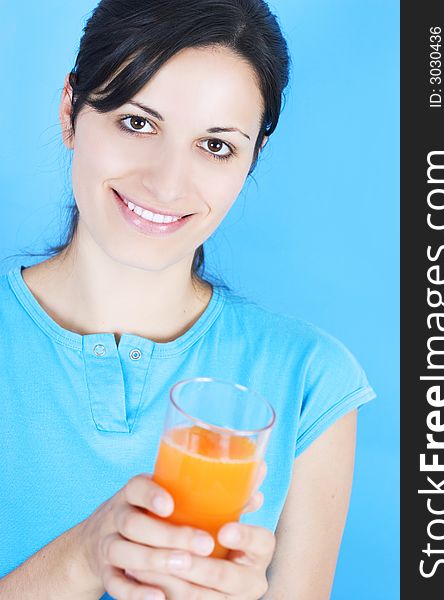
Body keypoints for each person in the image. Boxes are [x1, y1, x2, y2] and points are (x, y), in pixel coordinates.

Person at [0, 0, 376, 598]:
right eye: (137, 123)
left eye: (216, 145)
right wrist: (83, 559)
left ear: (252, 158)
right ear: (70, 110)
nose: (167, 183)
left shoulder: (310, 383)